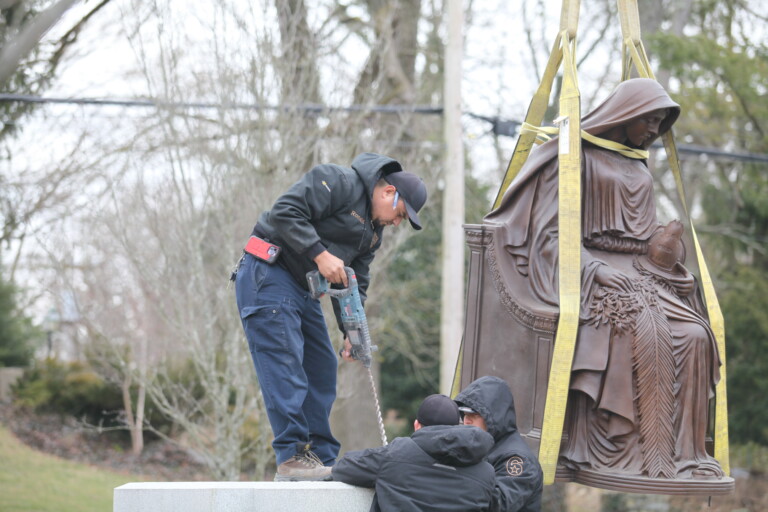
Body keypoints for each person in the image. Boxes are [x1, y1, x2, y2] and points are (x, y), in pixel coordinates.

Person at [484, 78, 723, 480]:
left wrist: (666, 253)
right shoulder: (575, 159)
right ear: (625, 114)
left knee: (697, 335)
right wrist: (594, 269)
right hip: (588, 272)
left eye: (659, 123)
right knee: (634, 332)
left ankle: (682, 456)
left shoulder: (637, 164)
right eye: (648, 120)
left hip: (643, 274)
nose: (652, 131)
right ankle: (614, 448)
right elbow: (548, 236)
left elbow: (644, 237)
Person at [234, 153, 427, 481]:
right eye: (399, 214)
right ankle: (292, 456)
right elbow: (285, 212)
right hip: (268, 272)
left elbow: (355, 282)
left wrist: (352, 333)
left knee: (322, 368)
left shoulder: (372, 234)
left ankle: (320, 461)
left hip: (302, 289)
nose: (397, 223)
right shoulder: (339, 181)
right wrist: (320, 254)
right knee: (286, 363)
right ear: (387, 192)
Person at [332, 394, 497, 512]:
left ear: (417, 425)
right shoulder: (486, 472)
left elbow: (344, 468)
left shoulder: (396, 453)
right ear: (456, 427)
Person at [454, 376, 543, 512]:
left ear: (494, 416)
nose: (467, 421)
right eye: (464, 414)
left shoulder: (518, 459)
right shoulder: (478, 448)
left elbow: (498, 505)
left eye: (474, 415)